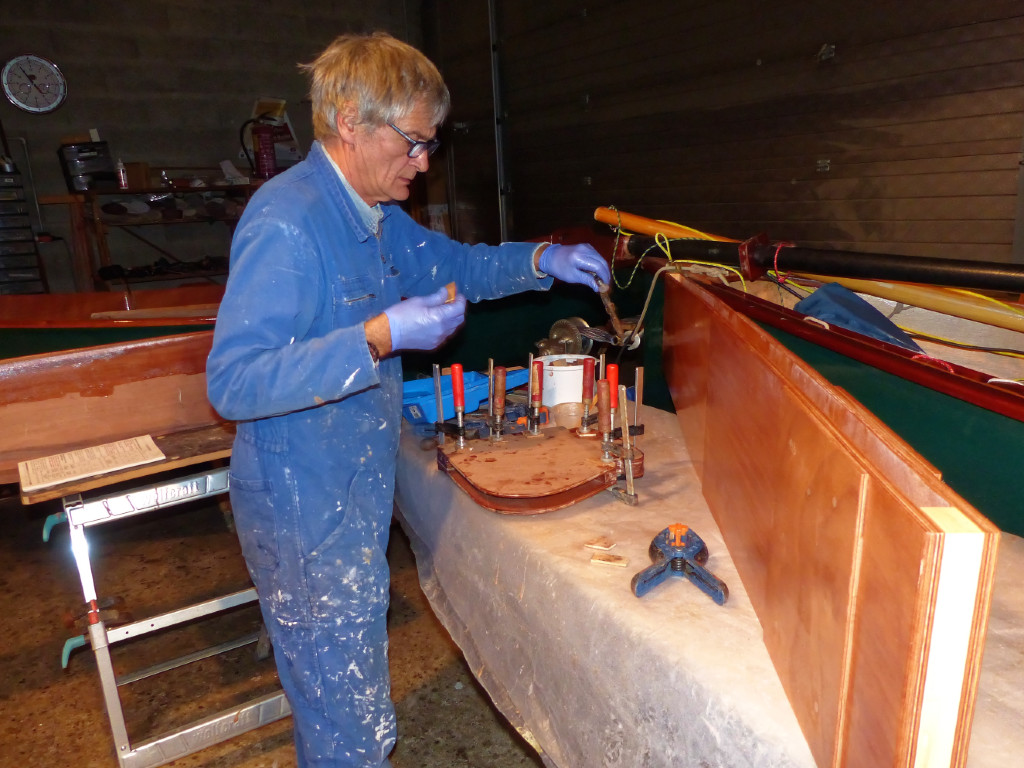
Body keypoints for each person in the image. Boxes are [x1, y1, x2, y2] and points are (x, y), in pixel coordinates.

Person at [206, 32, 610, 768]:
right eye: (414, 142)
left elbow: (458, 266)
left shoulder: (375, 214)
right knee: (346, 722)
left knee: (353, 697)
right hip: (303, 506)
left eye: (431, 143)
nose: (424, 163)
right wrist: (376, 337)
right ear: (351, 122)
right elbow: (234, 380)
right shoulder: (287, 222)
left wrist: (541, 259)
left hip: (351, 486)